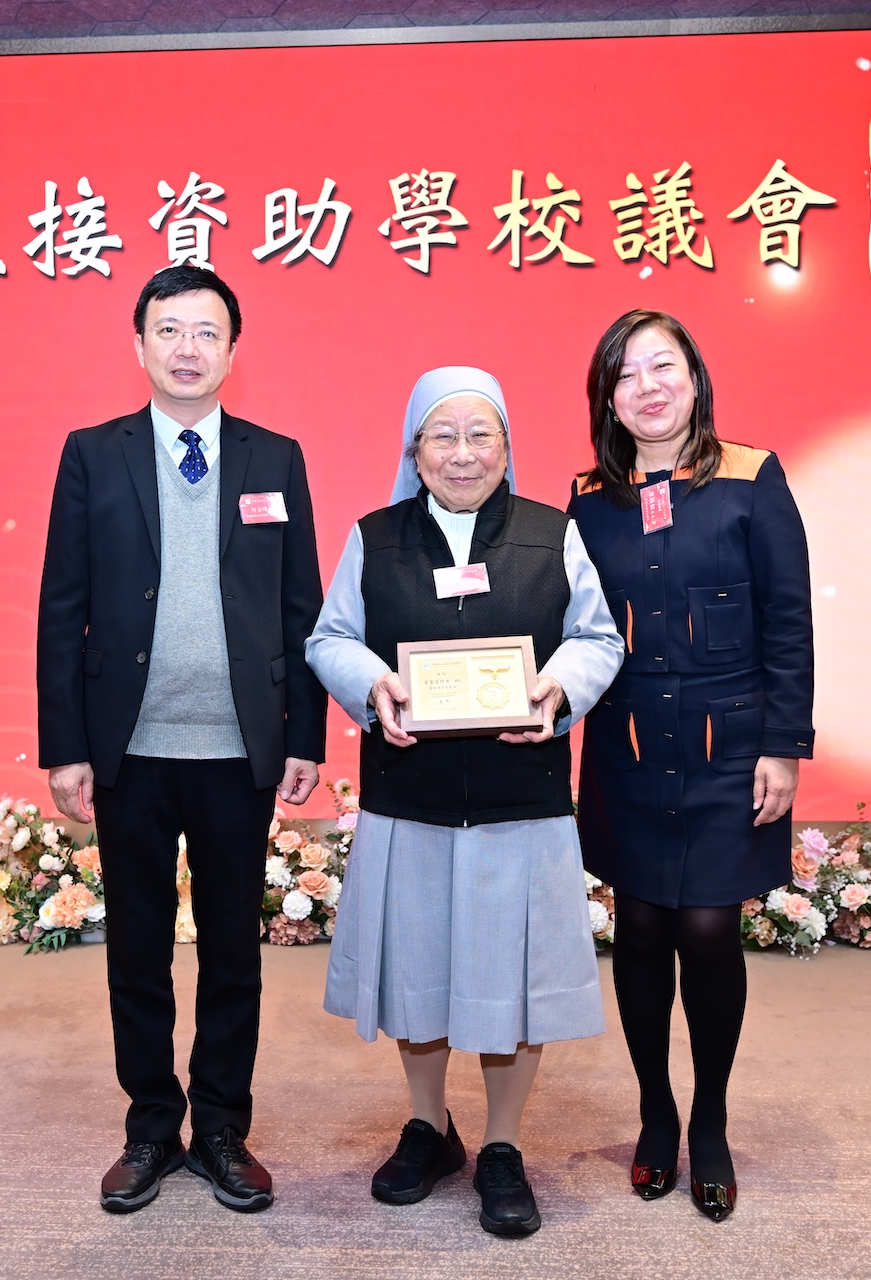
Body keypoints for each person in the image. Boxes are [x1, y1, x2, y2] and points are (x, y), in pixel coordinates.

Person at [36, 265, 327, 1215]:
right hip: (131, 747)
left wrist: (307, 734)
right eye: (169, 331)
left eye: (207, 332)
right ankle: (152, 1128)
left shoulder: (275, 457)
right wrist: (64, 746)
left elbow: (301, 607)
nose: (188, 349)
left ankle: (224, 1130)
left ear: (233, 350)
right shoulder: (94, 454)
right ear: (140, 345)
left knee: (234, 950)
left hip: (239, 748)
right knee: (139, 949)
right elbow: (62, 607)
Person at [307, 366, 623, 1237]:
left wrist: (559, 688)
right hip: (408, 797)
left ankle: (503, 1146)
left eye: (481, 434)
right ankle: (428, 1126)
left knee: (512, 981)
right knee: (419, 971)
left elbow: (597, 638)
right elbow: (331, 637)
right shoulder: (375, 538)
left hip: (522, 800)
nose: (462, 453)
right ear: (414, 450)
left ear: (507, 448)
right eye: (442, 436)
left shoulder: (553, 534)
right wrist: (372, 683)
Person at [567, 310, 814, 1222]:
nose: (648, 387)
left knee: (708, 929)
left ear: (695, 378)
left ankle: (709, 1117)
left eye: (662, 366)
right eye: (626, 375)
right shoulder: (589, 498)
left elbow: (789, 619)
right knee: (639, 929)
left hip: (729, 747)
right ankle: (655, 1112)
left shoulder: (753, 477)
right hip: (630, 744)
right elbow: (569, 626)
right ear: (608, 399)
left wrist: (785, 745)